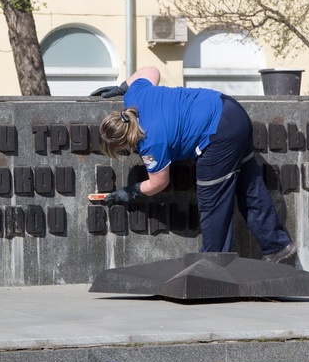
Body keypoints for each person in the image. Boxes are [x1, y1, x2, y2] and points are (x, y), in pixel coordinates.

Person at [92, 67, 297, 263]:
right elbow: (150, 70)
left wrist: (129, 192)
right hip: (231, 110)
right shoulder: (134, 96)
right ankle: (278, 246)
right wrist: (123, 87)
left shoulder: (151, 142)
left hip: (218, 134)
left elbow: (158, 182)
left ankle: (214, 262)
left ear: (124, 141)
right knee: (249, 187)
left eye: (121, 149)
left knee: (212, 200)